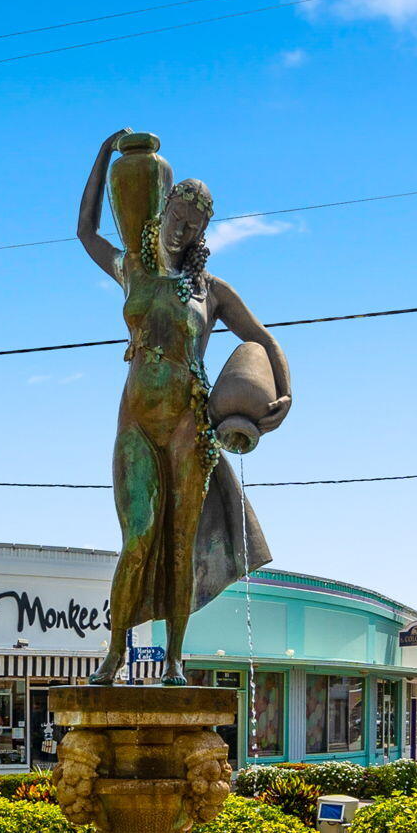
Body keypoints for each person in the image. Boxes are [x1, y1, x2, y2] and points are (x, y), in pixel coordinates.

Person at [76, 129, 292, 686]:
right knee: (140, 535)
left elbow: (262, 341)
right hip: (137, 422)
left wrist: (283, 395)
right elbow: (85, 231)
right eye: (179, 212)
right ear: (164, 206)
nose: (184, 225)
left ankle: (172, 660)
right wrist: (103, 154)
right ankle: (114, 656)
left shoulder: (210, 290)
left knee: (179, 548)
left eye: (196, 222)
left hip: (189, 427)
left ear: (203, 231)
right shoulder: (132, 269)